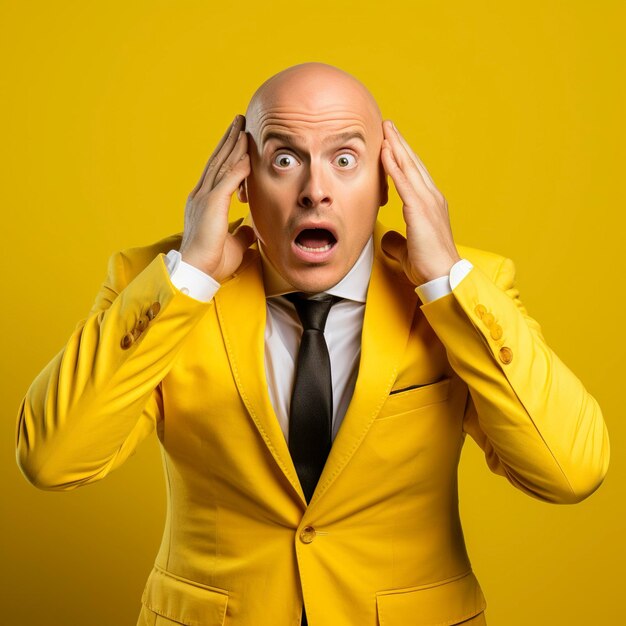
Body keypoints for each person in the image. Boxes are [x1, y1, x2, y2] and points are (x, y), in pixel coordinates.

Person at [16, 62, 609, 626]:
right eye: (283, 160)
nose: (315, 191)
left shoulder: (463, 291)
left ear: (385, 183)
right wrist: (189, 276)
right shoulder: (159, 285)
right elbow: (53, 459)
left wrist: (445, 284)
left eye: (346, 159)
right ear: (241, 181)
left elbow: (570, 472)